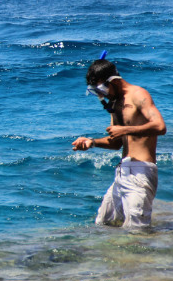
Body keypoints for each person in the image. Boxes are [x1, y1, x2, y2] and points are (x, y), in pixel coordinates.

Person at [71, 54, 166, 228]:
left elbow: (160, 127)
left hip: (140, 171)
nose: (101, 96)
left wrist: (125, 129)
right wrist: (91, 142)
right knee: (104, 223)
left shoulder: (139, 94)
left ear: (113, 81)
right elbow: (116, 143)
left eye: (101, 90)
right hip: (122, 173)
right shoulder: (115, 104)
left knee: (137, 230)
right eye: (95, 92)